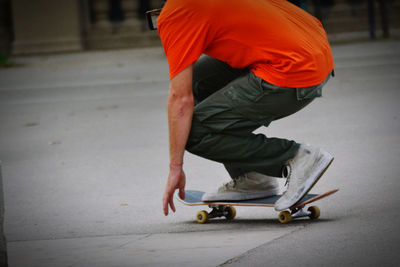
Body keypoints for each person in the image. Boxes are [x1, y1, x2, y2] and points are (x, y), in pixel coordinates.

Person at [155, 0, 335, 216]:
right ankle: (253, 178)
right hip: (315, 49)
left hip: (294, 70)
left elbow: (180, 100)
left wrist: (175, 167)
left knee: (192, 132)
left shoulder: (176, 14)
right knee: (197, 82)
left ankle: (297, 157)